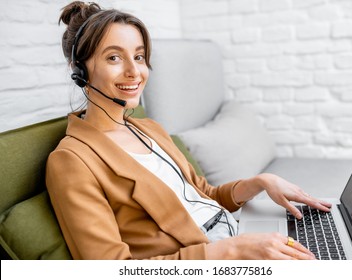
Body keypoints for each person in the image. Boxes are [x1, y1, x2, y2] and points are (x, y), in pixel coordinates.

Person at [46, 1, 332, 260]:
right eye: (114, 58)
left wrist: (260, 182)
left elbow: (205, 194)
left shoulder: (149, 129)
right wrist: (228, 251)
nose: (135, 72)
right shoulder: (72, 161)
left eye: (140, 56)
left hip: (240, 240)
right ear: (79, 70)